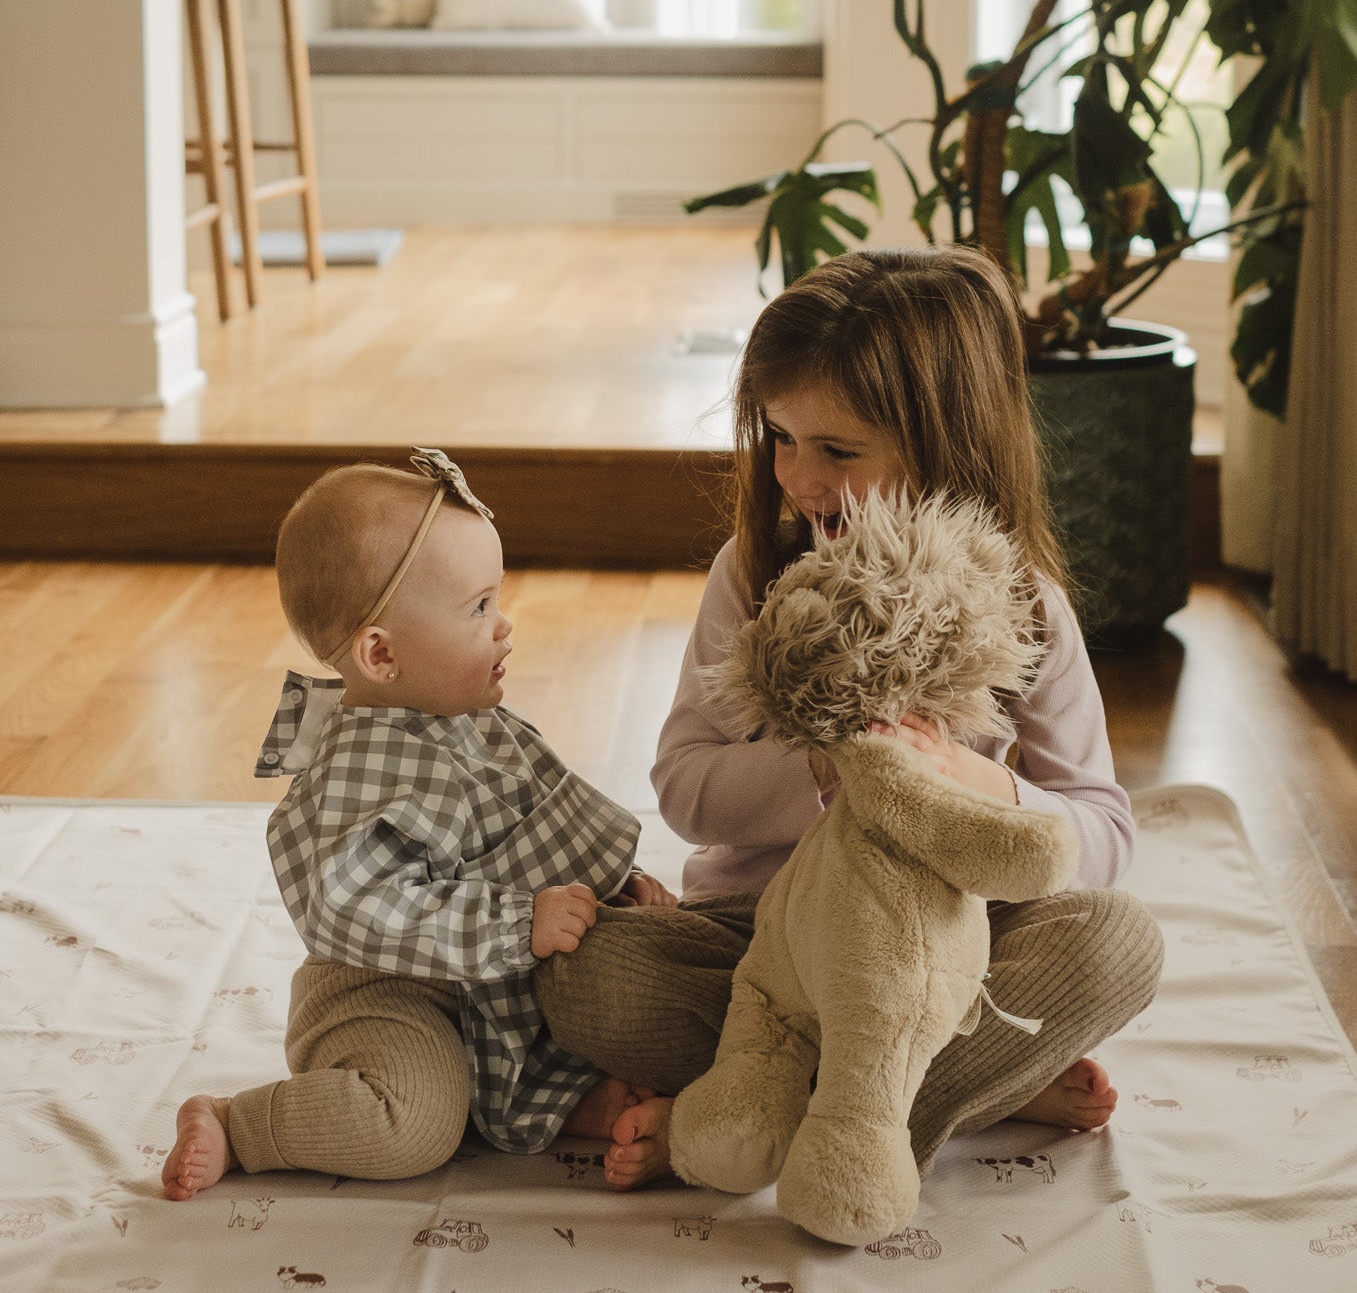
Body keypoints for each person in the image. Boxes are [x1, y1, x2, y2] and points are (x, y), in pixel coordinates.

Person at [535, 248, 1164, 1190]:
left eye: (837, 450)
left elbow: (1103, 832)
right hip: (763, 949)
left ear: (944, 443)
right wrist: (829, 766)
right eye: (780, 437)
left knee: (1117, 943)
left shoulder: (1021, 605)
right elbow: (684, 788)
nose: (796, 475)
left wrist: (973, 782)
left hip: (942, 960)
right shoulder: (751, 575)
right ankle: (944, 1095)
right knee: (586, 974)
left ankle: (759, 1120)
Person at [162, 449, 672, 1201]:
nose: (503, 625)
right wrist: (517, 923)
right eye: (476, 608)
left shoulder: (472, 720)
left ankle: (554, 1101)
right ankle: (238, 1124)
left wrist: (611, 885)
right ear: (381, 652)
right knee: (413, 1123)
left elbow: (535, 820)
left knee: (643, 998)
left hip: (490, 978)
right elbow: (358, 907)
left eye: (495, 600)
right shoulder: (350, 779)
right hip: (386, 992)